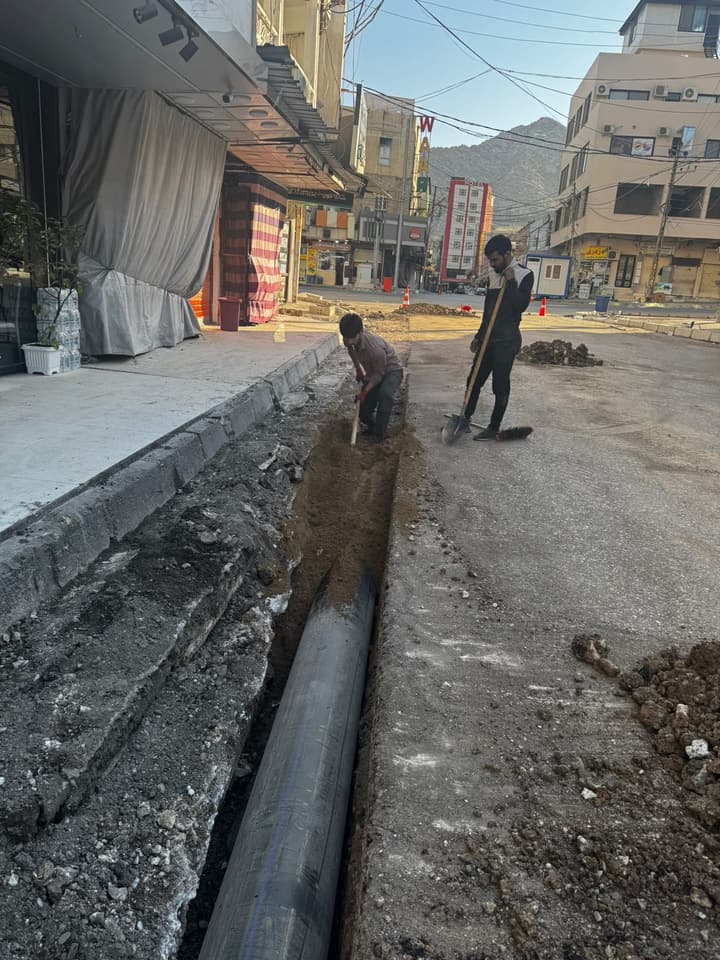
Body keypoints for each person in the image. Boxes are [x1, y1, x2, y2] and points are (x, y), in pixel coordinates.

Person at [466, 235, 534, 440]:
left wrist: (511, 282)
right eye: (490, 260)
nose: (492, 264)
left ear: (507, 254)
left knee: (500, 385)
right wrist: (479, 335)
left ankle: (493, 427)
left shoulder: (524, 274)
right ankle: (465, 419)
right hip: (489, 338)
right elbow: (489, 310)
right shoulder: (494, 274)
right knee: (473, 380)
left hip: (507, 340)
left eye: (495, 260)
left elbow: (520, 306)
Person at [339, 312, 403, 443]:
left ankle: (380, 435)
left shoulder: (375, 349)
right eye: (346, 337)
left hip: (391, 371)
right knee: (363, 410)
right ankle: (373, 427)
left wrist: (365, 391)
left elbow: (379, 375)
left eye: (351, 338)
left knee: (384, 394)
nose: (348, 341)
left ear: (360, 332)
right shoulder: (348, 338)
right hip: (374, 372)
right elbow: (351, 350)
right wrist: (358, 369)